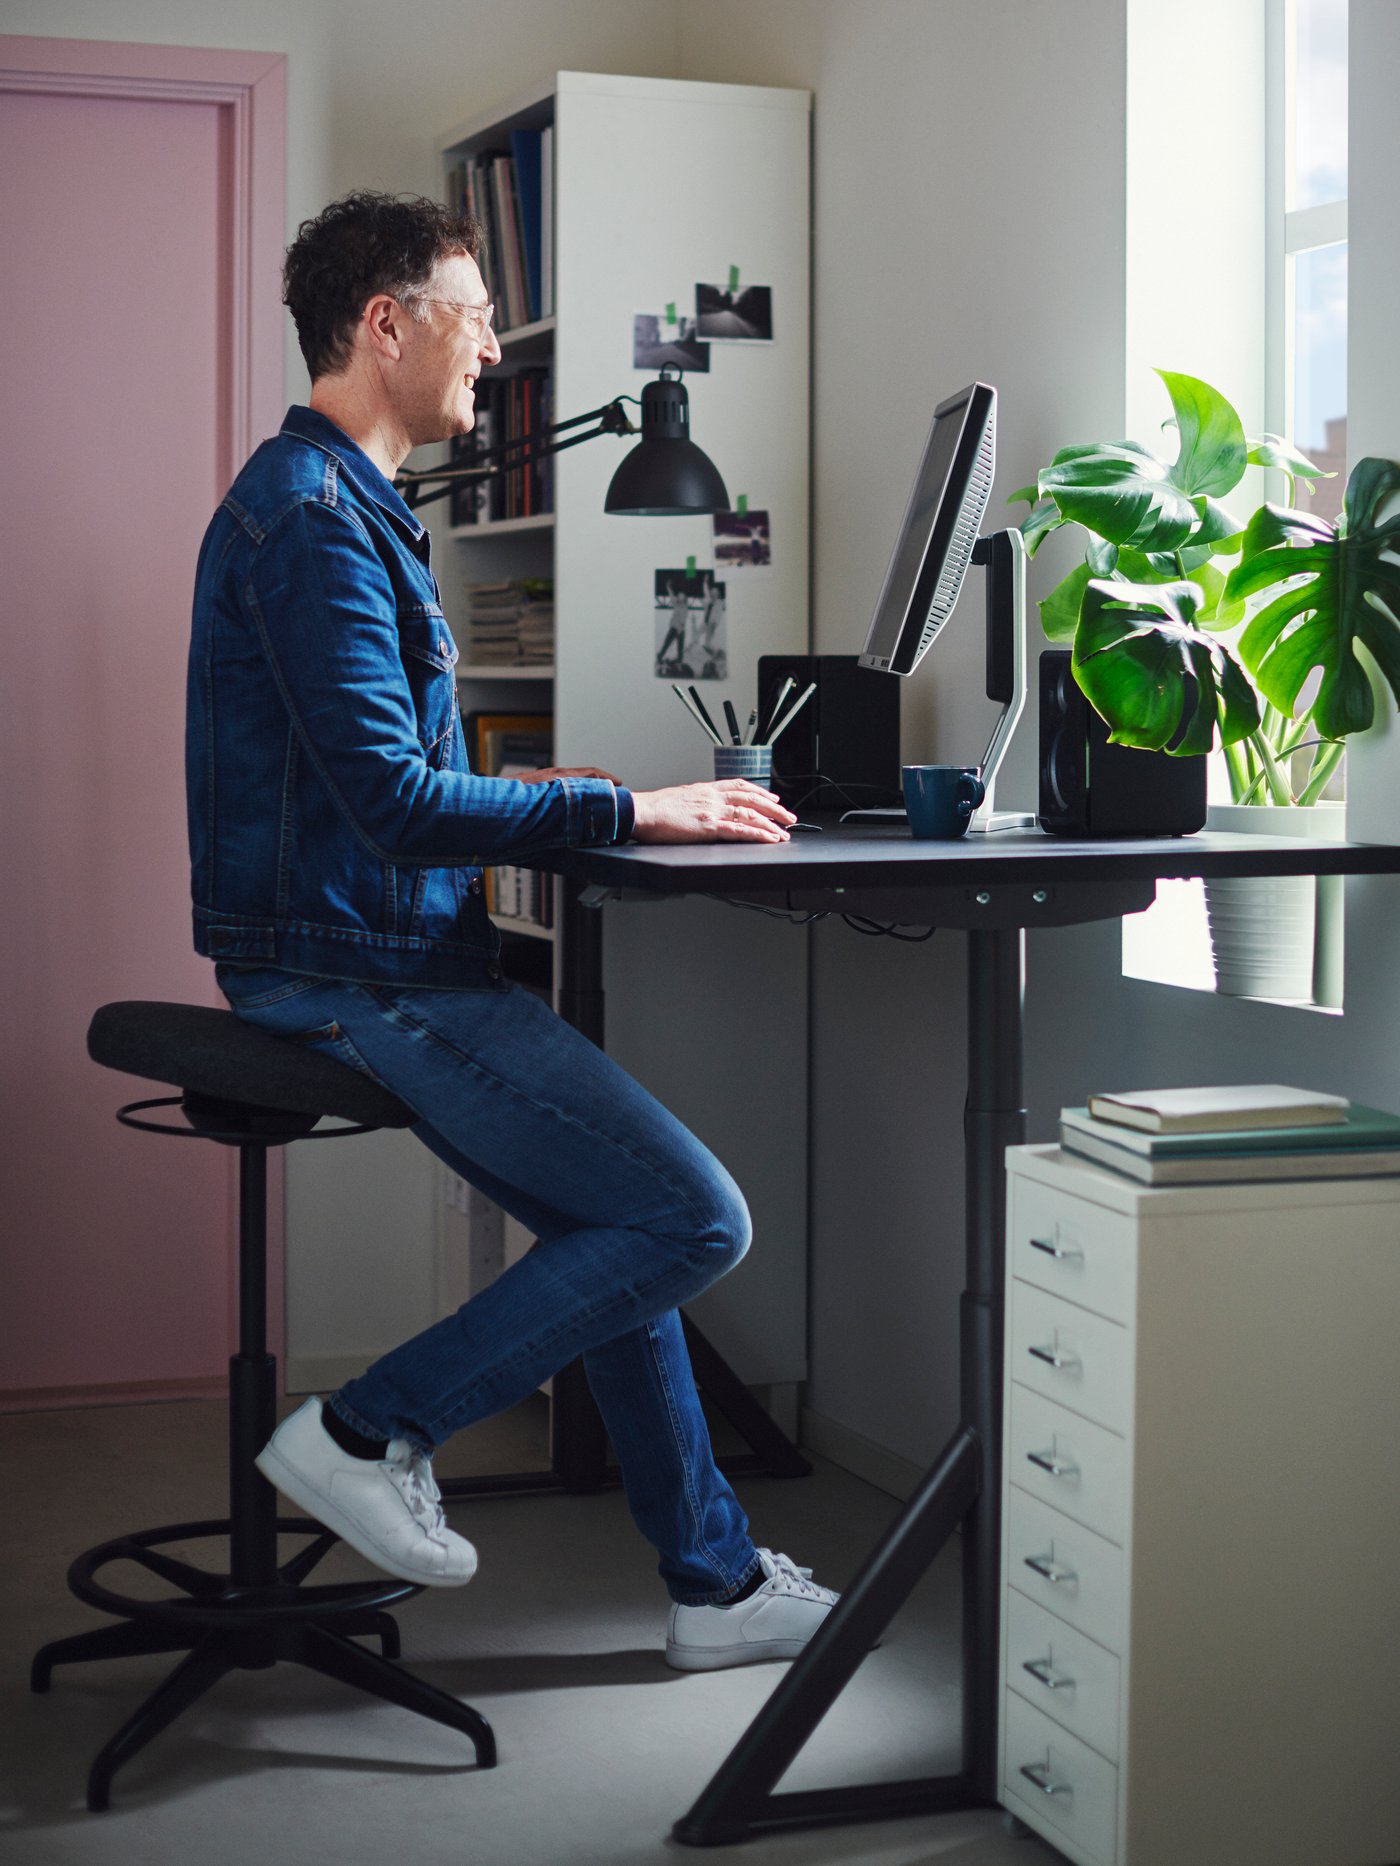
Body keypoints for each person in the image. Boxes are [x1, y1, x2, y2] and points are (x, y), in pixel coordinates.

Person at [186, 191, 837, 1670]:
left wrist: (589, 791)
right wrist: (628, 810)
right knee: (691, 1215)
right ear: (385, 325)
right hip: (353, 968)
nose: (487, 352)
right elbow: (397, 803)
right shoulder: (309, 520)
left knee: (618, 1218)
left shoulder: (349, 508)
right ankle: (369, 1428)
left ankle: (714, 1587)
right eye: (472, 322)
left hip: (366, 947)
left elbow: (377, 774)